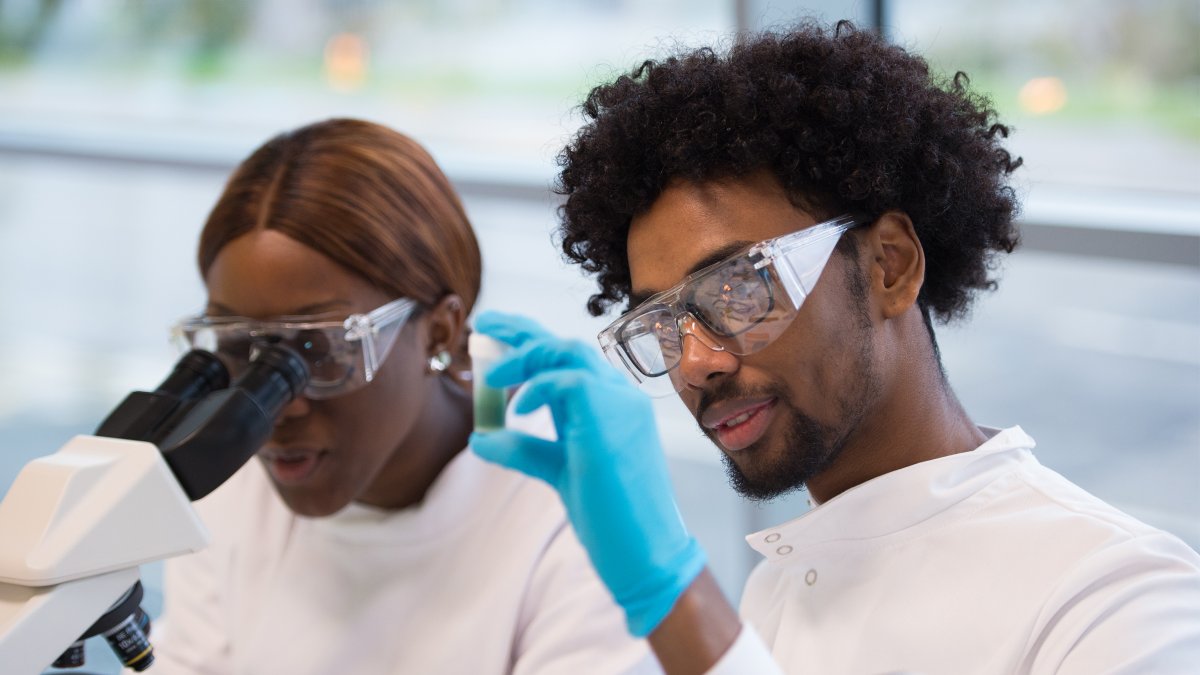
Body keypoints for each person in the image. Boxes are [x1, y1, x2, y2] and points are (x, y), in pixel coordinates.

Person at [468, 21, 1200, 674]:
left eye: (738, 290)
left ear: (890, 265)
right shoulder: (778, 590)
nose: (694, 362)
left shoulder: (1111, 601)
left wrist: (671, 592)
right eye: (661, 324)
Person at [153, 118, 660, 674]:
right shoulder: (230, 479)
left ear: (439, 331)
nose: (273, 410)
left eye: (315, 349)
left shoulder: (570, 509)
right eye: (235, 347)